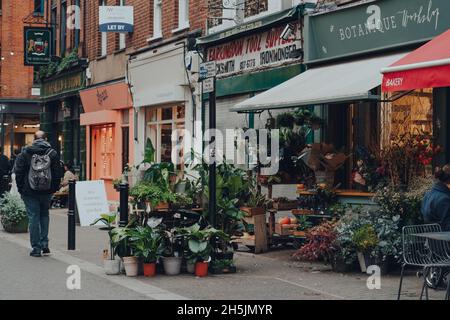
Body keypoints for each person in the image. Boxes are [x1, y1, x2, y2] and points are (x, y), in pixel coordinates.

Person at [14, 131, 63, 257]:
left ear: (34, 139)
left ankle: (36, 248)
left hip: (29, 191)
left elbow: (18, 172)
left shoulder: (25, 153)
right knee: (44, 215)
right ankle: (45, 244)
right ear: (46, 139)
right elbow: (58, 173)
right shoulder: (52, 153)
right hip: (47, 191)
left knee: (33, 217)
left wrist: (21, 189)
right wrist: (53, 188)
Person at [422, 165, 450, 231]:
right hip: (443, 239)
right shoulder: (444, 199)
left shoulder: (428, 194)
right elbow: (448, 226)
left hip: (431, 238)